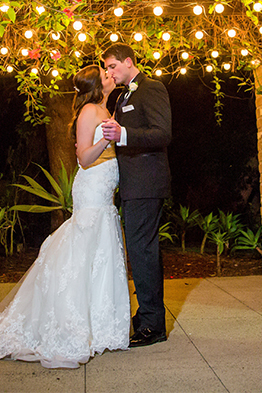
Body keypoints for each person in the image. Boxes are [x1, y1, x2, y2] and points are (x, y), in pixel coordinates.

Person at [0, 65, 130, 369]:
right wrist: (106, 140)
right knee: (84, 249)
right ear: (95, 86)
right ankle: (69, 324)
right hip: (91, 189)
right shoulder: (90, 111)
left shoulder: (106, 109)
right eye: (105, 75)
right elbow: (83, 157)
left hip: (105, 192)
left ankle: (101, 326)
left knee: (101, 253)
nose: (110, 76)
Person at [100, 43, 172, 348]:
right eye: (106, 68)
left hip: (147, 184)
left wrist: (123, 135)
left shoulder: (152, 88)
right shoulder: (122, 96)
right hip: (132, 186)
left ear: (128, 62)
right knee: (139, 253)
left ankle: (153, 326)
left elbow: (163, 133)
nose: (109, 72)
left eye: (112, 66)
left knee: (143, 253)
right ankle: (145, 317)